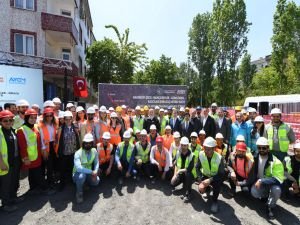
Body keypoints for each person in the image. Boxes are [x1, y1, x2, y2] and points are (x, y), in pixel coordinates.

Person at [17, 109, 52, 195]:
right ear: (26, 118)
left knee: (32, 174)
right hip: (29, 157)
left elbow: (39, 141)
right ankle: (45, 188)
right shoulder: (21, 130)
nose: (33, 119)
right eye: (31, 117)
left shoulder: (35, 127)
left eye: (34, 117)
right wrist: (25, 158)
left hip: (37, 156)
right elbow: (22, 146)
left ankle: (33, 188)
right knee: (38, 174)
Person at [249, 137, 284, 219]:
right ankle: (265, 196)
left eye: (264, 148)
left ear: (268, 148)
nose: (261, 149)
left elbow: (278, 180)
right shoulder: (255, 156)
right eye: (259, 147)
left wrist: (261, 180)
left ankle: (270, 206)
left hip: (271, 184)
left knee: (277, 190)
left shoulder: (276, 162)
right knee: (254, 192)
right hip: (261, 183)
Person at [196, 137, 224, 213]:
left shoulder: (219, 158)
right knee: (200, 189)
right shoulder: (201, 154)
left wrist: (210, 180)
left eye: (209, 149)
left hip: (215, 178)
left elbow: (221, 174)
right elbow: (197, 167)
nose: (206, 151)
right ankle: (207, 190)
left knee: (217, 184)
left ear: (214, 149)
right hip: (205, 176)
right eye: (205, 148)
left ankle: (215, 201)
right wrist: (200, 180)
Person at [0, 110, 21, 212]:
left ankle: (13, 198)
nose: (8, 122)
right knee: (5, 184)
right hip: (5, 163)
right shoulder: (0, 133)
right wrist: (1, 163)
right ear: (1, 122)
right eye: (5, 120)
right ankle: (6, 204)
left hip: (15, 161)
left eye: (10, 120)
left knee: (14, 181)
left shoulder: (12, 130)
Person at [56, 111, 80, 191]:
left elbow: (78, 139)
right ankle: (62, 183)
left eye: (70, 119)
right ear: (64, 119)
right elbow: (58, 141)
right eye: (66, 119)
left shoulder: (75, 127)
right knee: (62, 169)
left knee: (72, 168)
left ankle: (72, 181)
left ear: (72, 119)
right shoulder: (60, 129)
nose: (68, 121)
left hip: (73, 152)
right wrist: (58, 151)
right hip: (64, 153)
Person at [73, 133, 99, 203]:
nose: (88, 144)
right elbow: (78, 168)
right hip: (77, 174)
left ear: (92, 143)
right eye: (86, 143)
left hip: (88, 173)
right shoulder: (78, 153)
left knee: (96, 181)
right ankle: (79, 193)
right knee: (81, 176)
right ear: (83, 143)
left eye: (90, 143)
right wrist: (92, 172)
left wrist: (96, 171)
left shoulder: (94, 151)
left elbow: (96, 162)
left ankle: (85, 184)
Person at [171, 136, 195, 202]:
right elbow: (175, 164)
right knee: (172, 183)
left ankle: (188, 193)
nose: (183, 147)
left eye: (185, 145)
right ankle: (185, 185)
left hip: (190, 175)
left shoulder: (192, 155)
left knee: (188, 174)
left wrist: (179, 171)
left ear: (187, 145)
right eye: (182, 145)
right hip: (181, 173)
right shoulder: (178, 152)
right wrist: (174, 175)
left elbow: (189, 169)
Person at [39, 108, 57, 189]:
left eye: (51, 115)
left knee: (54, 164)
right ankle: (50, 182)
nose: (49, 117)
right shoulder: (41, 126)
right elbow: (41, 139)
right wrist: (43, 150)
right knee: (49, 166)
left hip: (53, 146)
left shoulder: (54, 124)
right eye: (47, 115)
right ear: (44, 116)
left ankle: (53, 180)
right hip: (47, 147)